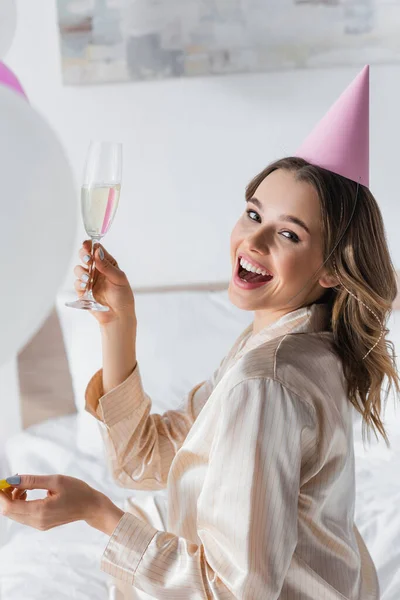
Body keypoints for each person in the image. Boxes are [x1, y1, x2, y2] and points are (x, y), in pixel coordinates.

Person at [0, 65, 398, 599]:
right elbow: (152, 457)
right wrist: (120, 324)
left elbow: (234, 591)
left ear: (330, 268)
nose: (252, 240)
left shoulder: (267, 381)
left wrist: (95, 512)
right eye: (253, 213)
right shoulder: (295, 342)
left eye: (287, 233)